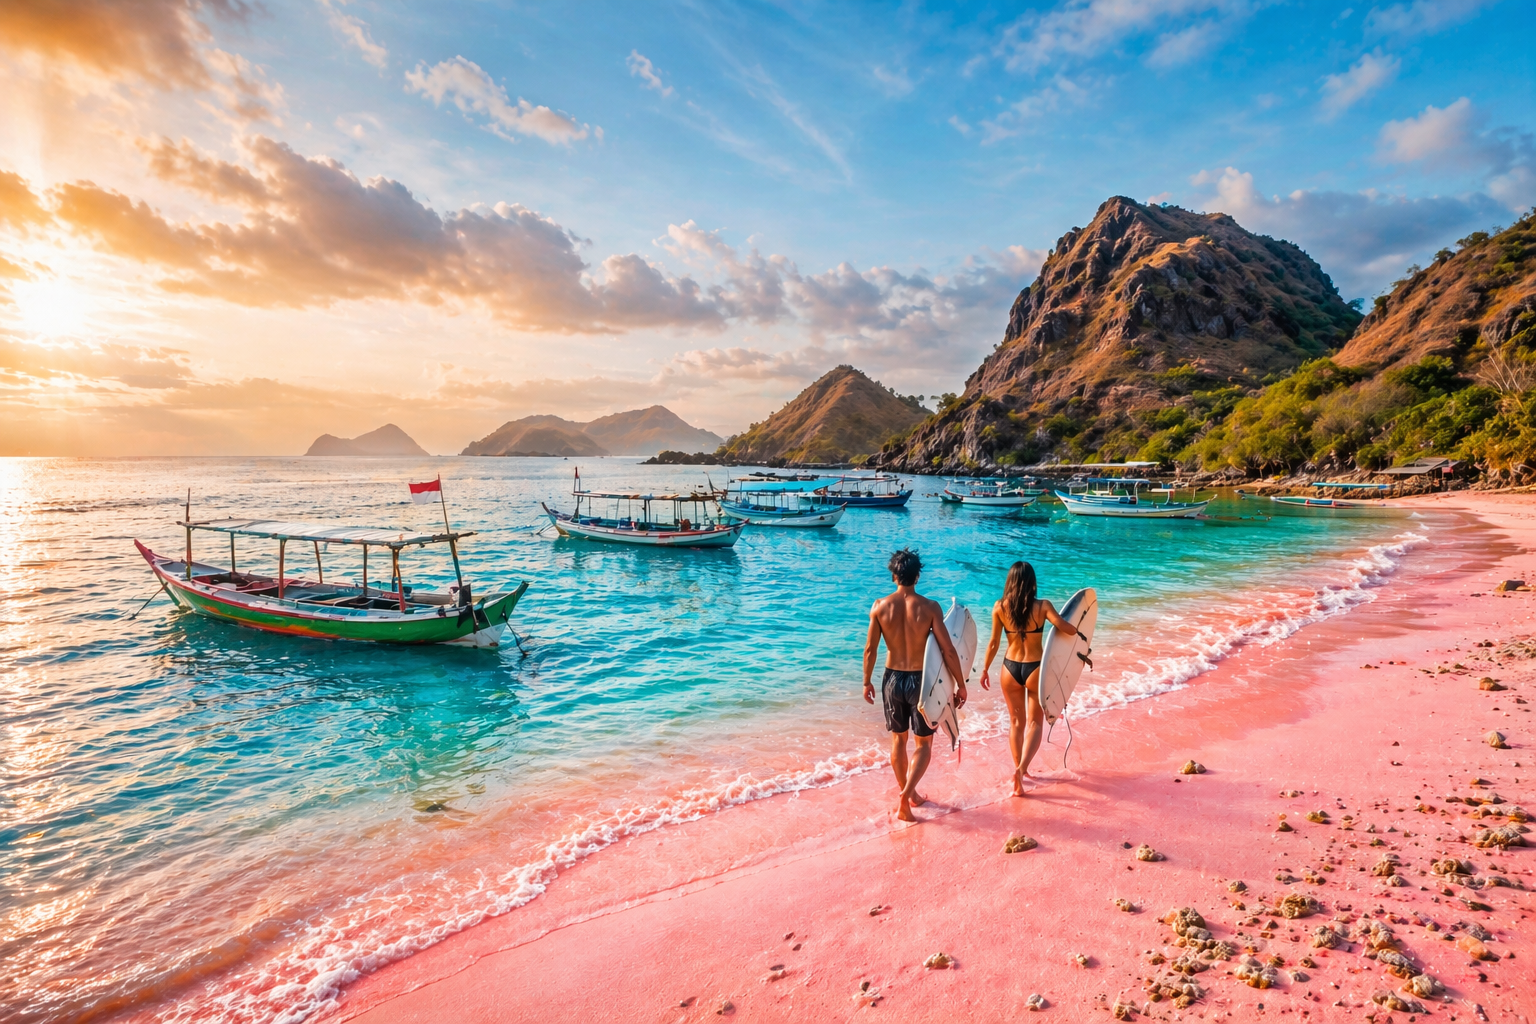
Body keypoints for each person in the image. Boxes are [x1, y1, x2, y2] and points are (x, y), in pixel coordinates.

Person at [863, 548, 965, 822]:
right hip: (922, 682)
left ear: (894, 575)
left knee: (898, 740)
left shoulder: (879, 606)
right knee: (924, 745)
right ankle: (906, 796)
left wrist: (866, 681)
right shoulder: (930, 607)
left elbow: (870, 650)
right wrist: (960, 685)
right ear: (917, 576)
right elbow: (948, 651)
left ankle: (908, 794)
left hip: (892, 679)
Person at [978, 561, 1079, 796]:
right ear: (1032, 582)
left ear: (1010, 582)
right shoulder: (1043, 606)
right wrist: (1080, 626)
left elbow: (993, 642)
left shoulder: (999, 607)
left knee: (1015, 723)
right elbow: (1065, 628)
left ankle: (1018, 771)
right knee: (1035, 723)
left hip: (1009, 668)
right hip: (1035, 668)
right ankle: (1023, 769)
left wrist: (984, 669)